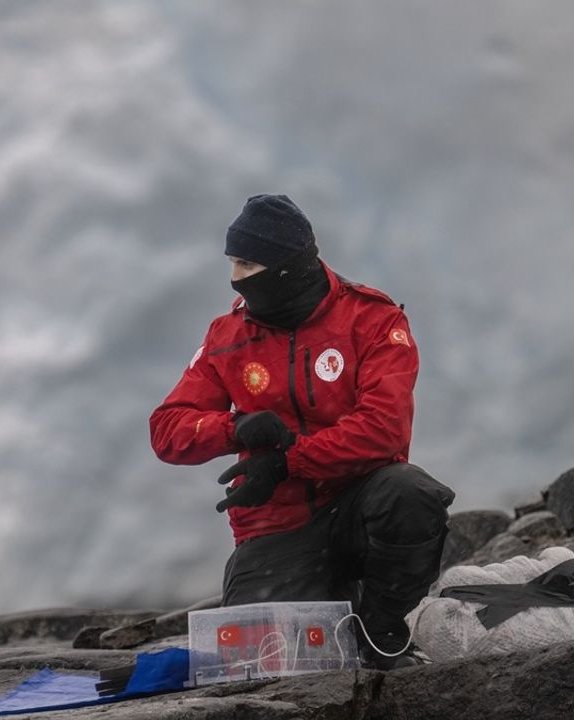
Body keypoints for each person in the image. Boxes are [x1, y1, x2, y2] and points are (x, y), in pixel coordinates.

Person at [149, 194, 455, 669]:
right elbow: (167, 430)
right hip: (277, 527)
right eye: (233, 262)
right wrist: (235, 428)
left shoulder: (373, 320)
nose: (235, 277)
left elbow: (384, 429)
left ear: (286, 268)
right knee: (260, 667)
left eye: (247, 263)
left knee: (410, 493)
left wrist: (287, 461)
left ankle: (382, 631)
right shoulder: (227, 337)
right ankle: (335, 601)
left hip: (360, 509)